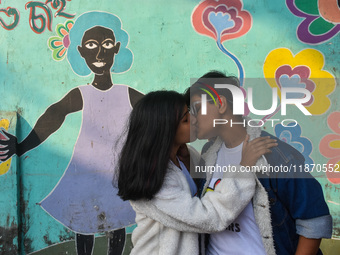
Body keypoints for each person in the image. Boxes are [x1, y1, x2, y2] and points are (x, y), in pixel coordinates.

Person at [0, 12, 143, 255]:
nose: (99, 54)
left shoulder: (126, 93)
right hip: (85, 170)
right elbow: (54, 116)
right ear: (81, 51)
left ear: (116, 49)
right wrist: (22, 146)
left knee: (117, 221)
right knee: (83, 222)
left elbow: (158, 114)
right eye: (91, 46)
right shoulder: (82, 93)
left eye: (106, 46)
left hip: (118, 171)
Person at [186, 71, 333, 255]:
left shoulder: (275, 155)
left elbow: (314, 221)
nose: (193, 118)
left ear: (221, 104)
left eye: (197, 108)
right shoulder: (208, 155)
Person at [117, 90, 277, 255]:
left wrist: (187, 164)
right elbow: (207, 217)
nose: (194, 120)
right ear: (165, 130)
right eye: (186, 120)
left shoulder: (185, 157)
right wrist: (243, 168)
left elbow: (194, 192)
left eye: (190, 113)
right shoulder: (153, 179)